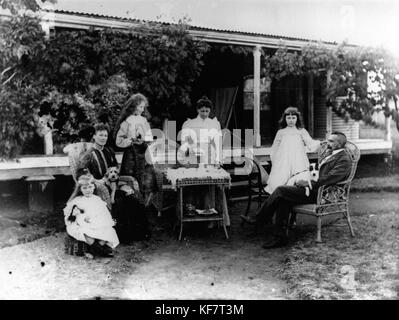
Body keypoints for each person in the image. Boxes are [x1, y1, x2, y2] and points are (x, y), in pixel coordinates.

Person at [242, 131, 352, 248]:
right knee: (283, 199)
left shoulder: (344, 159)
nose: (326, 142)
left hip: (323, 194)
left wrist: (308, 183)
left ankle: (259, 219)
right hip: (314, 189)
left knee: (281, 190)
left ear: (339, 144)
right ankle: (280, 238)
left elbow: (330, 178)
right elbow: (319, 173)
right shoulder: (330, 153)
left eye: (331, 141)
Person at [78, 123, 150, 243]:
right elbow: (80, 172)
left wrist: (123, 185)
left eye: (105, 135)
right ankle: (124, 237)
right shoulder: (89, 154)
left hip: (114, 185)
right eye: (100, 135)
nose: (103, 138)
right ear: (94, 137)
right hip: (98, 188)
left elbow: (116, 170)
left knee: (133, 198)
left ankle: (140, 234)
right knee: (120, 201)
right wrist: (95, 180)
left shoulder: (109, 151)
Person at [115, 93, 158, 205]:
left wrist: (147, 140)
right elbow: (118, 141)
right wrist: (130, 140)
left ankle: (145, 205)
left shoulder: (144, 121)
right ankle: (133, 204)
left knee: (146, 180)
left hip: (143, 154)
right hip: (131, 155)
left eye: (143, 107)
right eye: (140, 106)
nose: (142, 109)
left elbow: (149, 137)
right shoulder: (127, 122)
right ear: (133, 106)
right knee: (132, 181)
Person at [265, 106, 320, 194]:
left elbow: (310, 143)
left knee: (298, 180)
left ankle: (296, 197)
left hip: (298, 160)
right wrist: (276, 162)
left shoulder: (301, 131)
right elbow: (274, 148)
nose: (291, 120)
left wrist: (319, 143)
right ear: (285, 119)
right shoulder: (281, 132)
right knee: (281, 180)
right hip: (284, 161)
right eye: (288, 118)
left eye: (293, 118)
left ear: (297, 119)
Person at [64, 173, 119, 258]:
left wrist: (104, 221)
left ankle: (94, 249)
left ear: (94, 187)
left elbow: (103, 214)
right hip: (83, 224)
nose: (88, 190)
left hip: (97, 223)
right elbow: (68, 210)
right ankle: (100, 250)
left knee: (108, 231)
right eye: (84, 188)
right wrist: (78, 215)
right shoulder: (78, 200)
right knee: (85, 233)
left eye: (90, 187)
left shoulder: (97, 200)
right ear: (80, 189)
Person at [179, 96, 223, 167]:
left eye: (207, 111)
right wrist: (185, 159)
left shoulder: (215, 124)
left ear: (210, 110)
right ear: (198, 110)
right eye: (202, 111)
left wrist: (218, 160)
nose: (205, 114)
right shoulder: (189, 124)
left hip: (209, 157)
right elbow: (184, 143)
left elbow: (218, 143)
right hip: (193, 157)